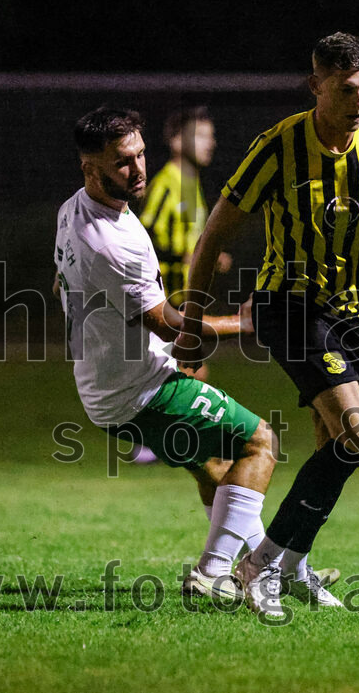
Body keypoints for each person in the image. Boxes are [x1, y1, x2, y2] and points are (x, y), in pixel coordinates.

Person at [176, 32, 359, 617]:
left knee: (333, 447)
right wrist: (191, 319)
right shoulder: (279, 147)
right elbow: (217, 230)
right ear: (316, 85)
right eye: (346, 90)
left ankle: (293, 566)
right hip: (288, 305)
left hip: (350, 313)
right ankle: (258, 564)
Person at [54, 106, 293, 611]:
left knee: (215, 468)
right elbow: (167, 324)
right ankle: (214, 574)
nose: (138, 168)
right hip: (143, 389)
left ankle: (277, 569)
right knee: (260, 443)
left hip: (104, 389)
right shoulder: (115, 243)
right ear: (89, 168)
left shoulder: (72, 210)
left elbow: (62, 284)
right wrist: (247, 324)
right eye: (123, 162)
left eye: (140, 154)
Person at [133, 107, 233, 463]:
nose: (211, 142)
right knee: (192, 367)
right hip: (165, 297)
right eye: (201, 135)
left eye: (210, 135)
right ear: (177, 141)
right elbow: (141, 236)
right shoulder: (166, 183)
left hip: (185, 298)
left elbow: (191, 241)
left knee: (183, 367)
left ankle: (157, 440)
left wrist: (207, 255)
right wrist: (184, 256)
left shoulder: (191, 183)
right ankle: (171, 441)